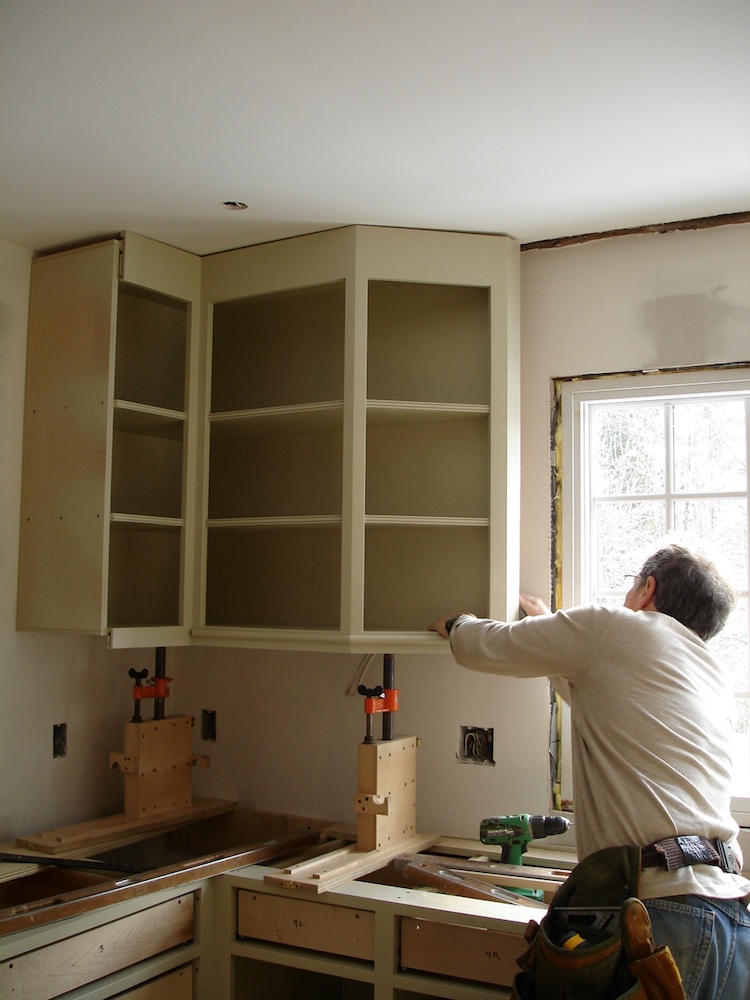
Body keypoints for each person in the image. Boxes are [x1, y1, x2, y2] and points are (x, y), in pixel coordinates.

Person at [430, 542, 750, 1000]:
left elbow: (492, 646)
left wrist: (454, 625)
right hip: (731, 919)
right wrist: (549, 626)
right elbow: (596, 686)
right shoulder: (711, 678)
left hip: (662, 917)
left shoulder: (616, 629)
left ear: (647, 589)